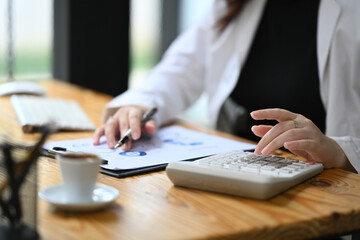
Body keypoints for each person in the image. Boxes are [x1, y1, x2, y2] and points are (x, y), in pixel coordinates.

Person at [93, 0, 360, 173]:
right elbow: (178, 70)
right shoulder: (236, 5)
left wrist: (339, 151)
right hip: (240, 172)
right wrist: (139, 104)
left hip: (323, 188)